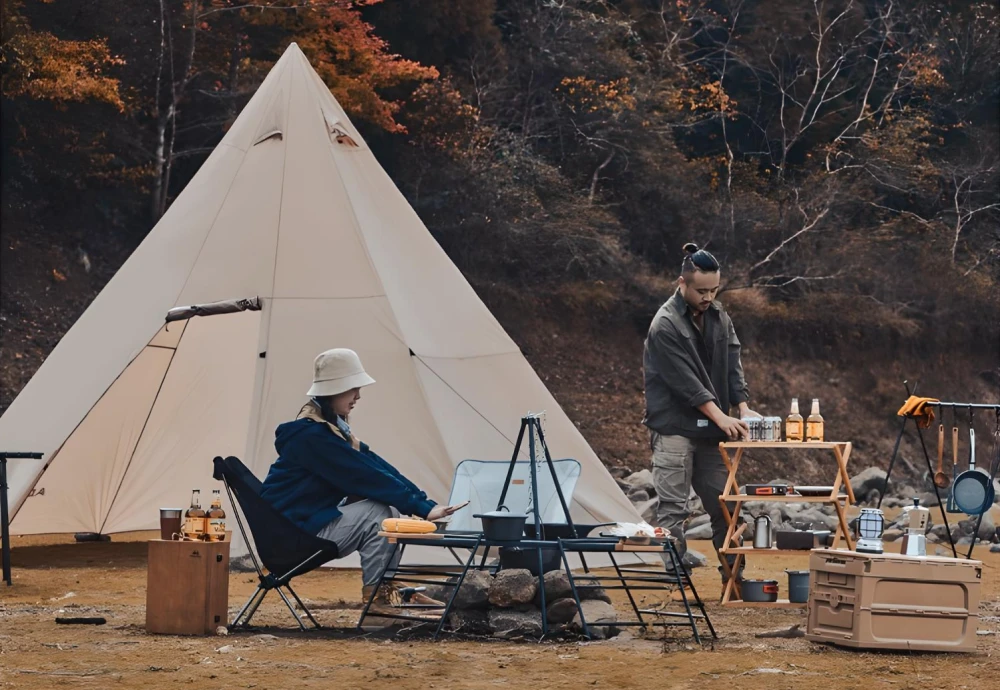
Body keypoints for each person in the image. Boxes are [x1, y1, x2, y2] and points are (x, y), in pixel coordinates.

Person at [260, 348, 466, 618]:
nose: (358, 395)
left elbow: (373, 465)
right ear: (333, 390)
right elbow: (366, 476)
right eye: (352, 388)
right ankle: (378, 600)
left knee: (387, 509)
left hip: (301, 526)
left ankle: (386, 588)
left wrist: (423, 503)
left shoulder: (327, 433)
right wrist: (423, 507)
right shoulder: (313, 438)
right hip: (290, 538)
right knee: (378, 514)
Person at [642, 243, 759, 591]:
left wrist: (742, 406)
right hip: (673, 427)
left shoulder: (719, 316)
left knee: (726, 504)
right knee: (673, 509)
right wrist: (721, 417)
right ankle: (677, 584)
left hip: (712, 430)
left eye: (714, 290)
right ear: (683, 283)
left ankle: (734, 580)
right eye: (702, 291)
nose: (708, 297)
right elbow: (686, 383)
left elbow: (733, 363)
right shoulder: (664, 324)